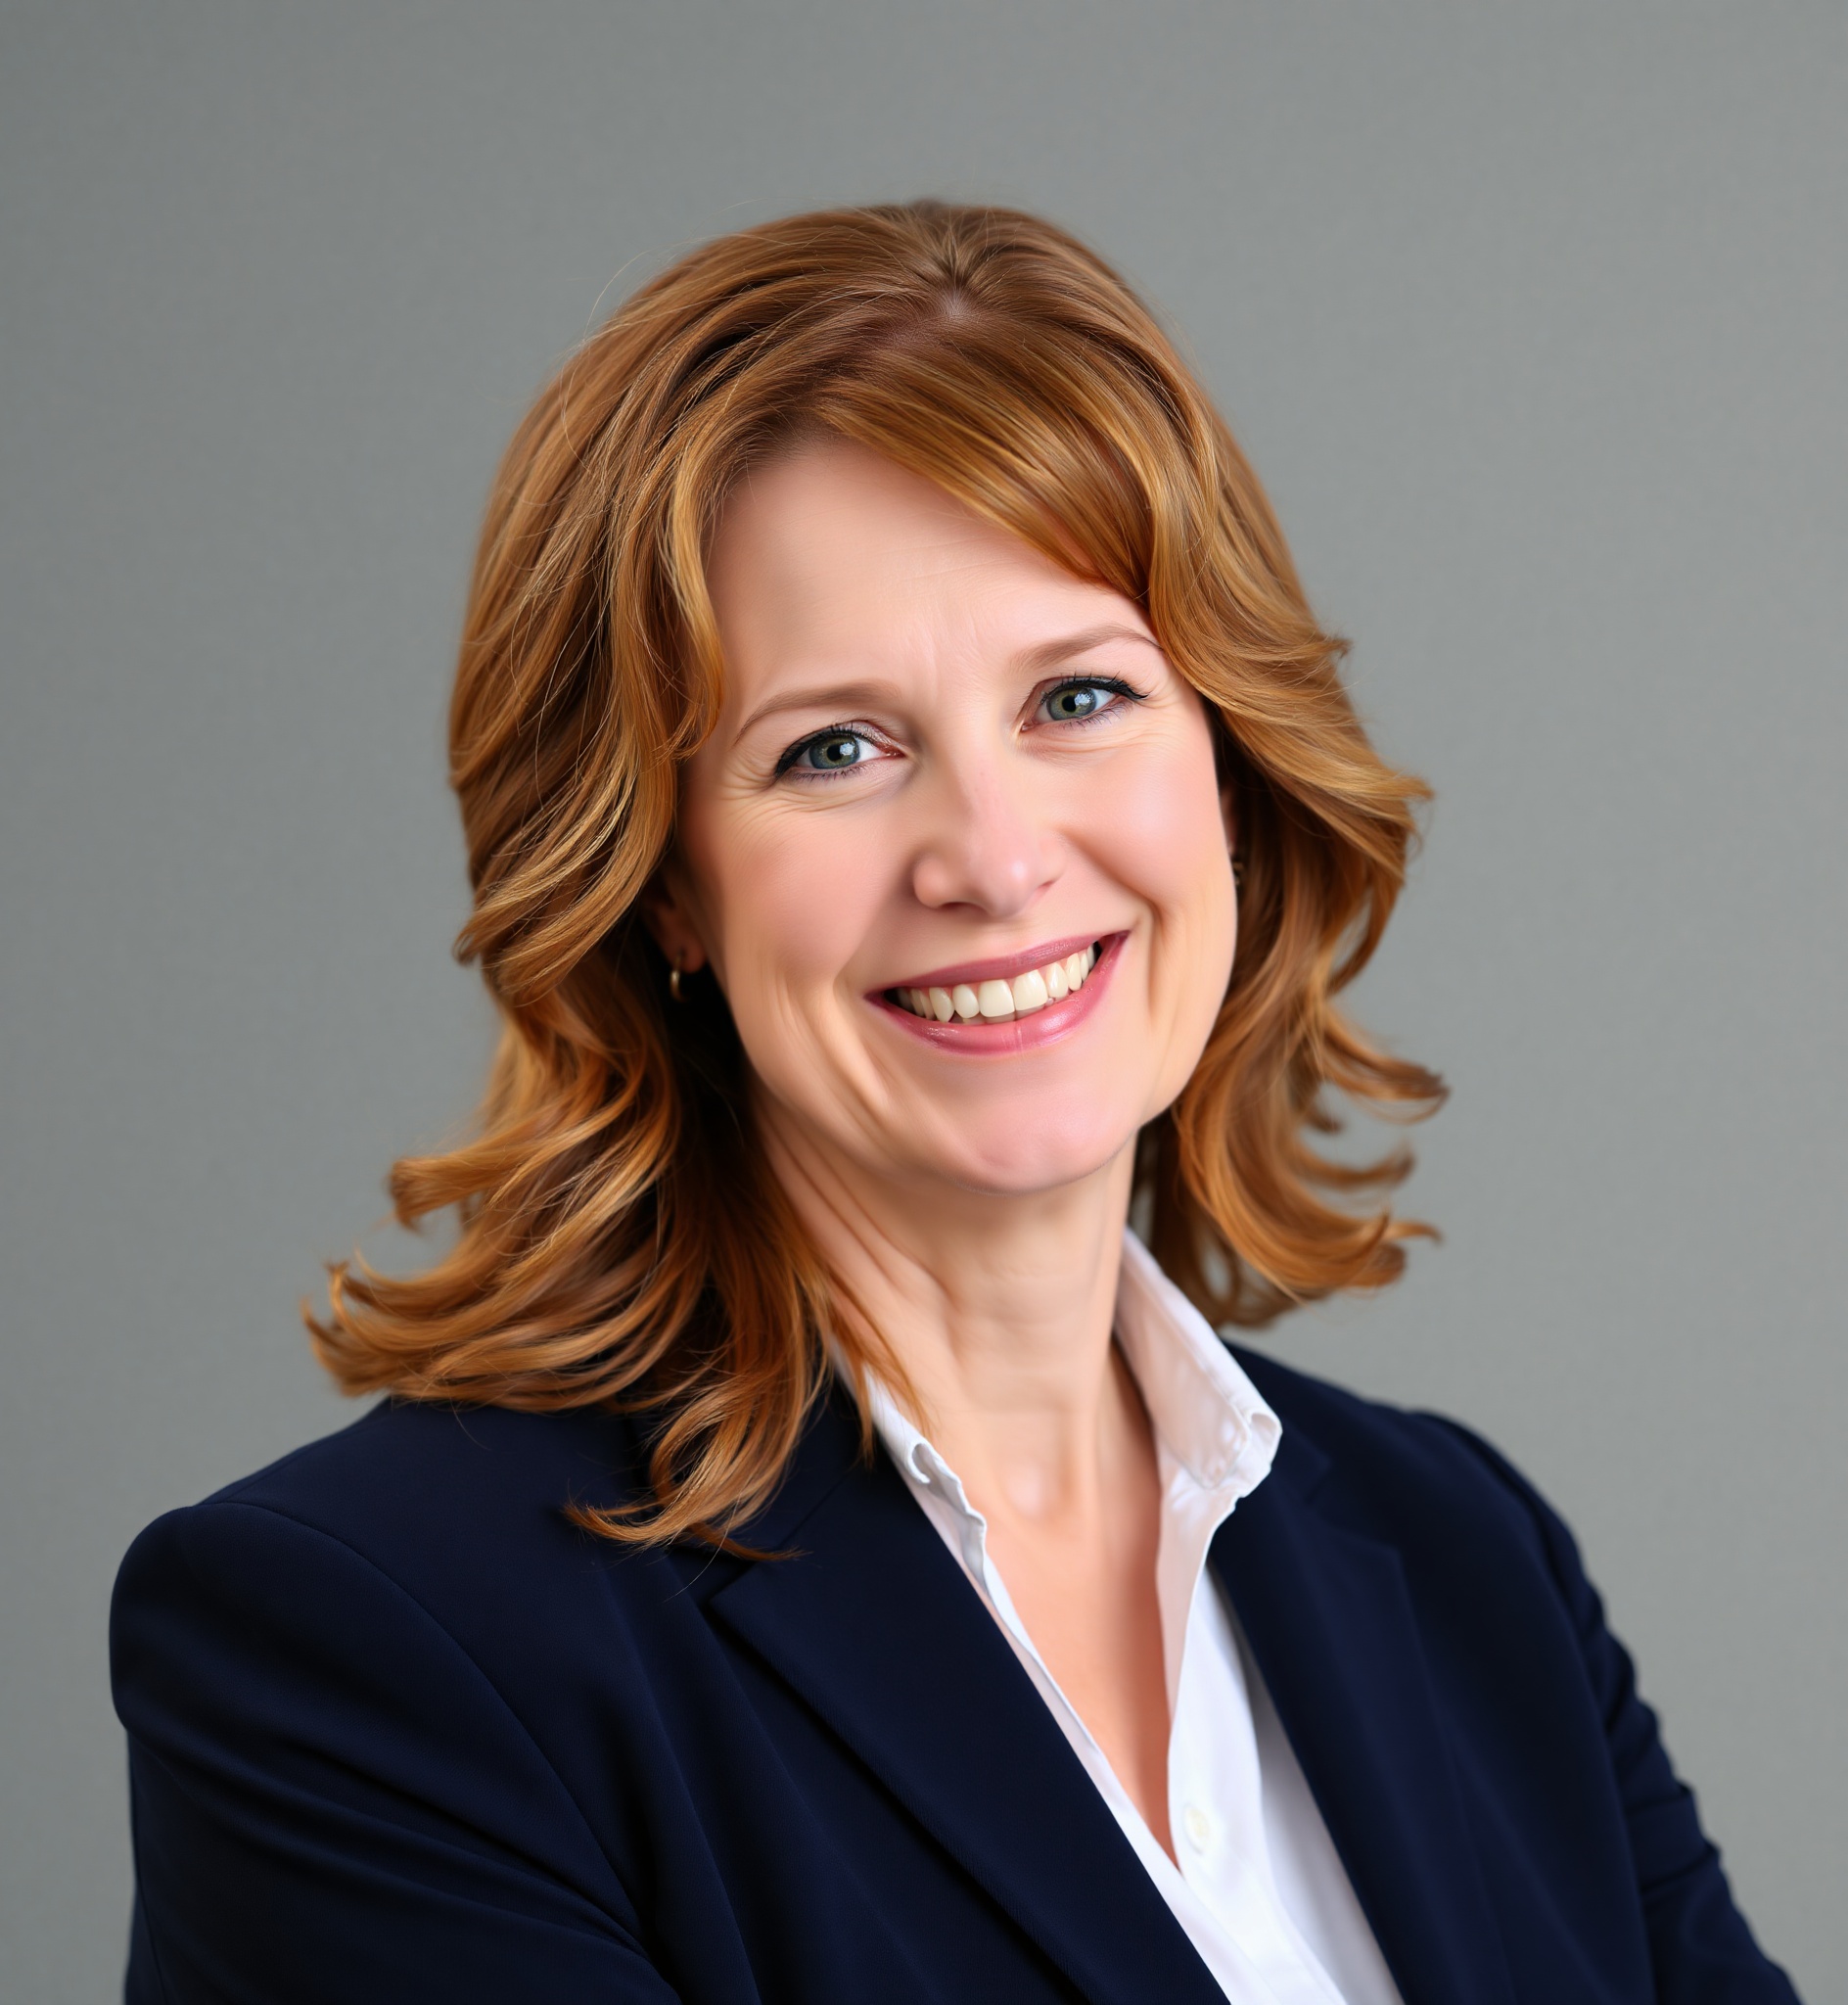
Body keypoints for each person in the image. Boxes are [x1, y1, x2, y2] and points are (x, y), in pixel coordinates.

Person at [110, 201, 1798, 2004]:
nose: (993, 860)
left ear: (1227, 769)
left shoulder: (1469, 1565)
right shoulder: (372, 1643)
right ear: (661, 882)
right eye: (832, 749)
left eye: (1079, 696)